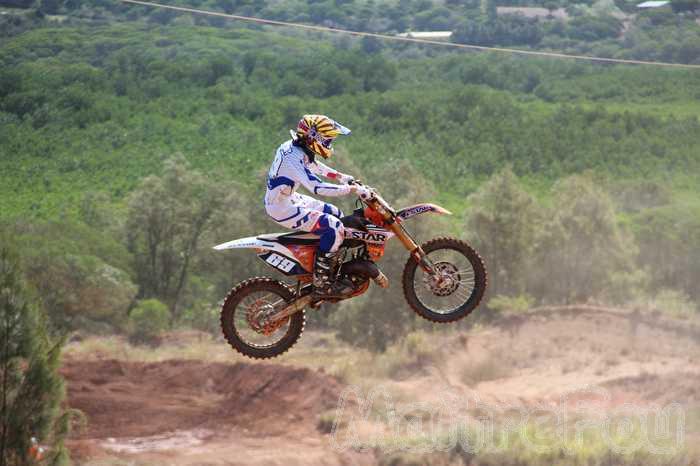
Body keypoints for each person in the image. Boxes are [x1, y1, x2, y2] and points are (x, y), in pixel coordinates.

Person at [264, 114, 370, 297]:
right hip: (281, 208)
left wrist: (341, 177)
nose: (330, 142)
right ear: (314, 136)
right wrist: (351, 189)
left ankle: (329, 266)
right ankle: (322, 282)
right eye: (327, 139)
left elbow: (315, 167)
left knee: (336, 214)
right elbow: (317, 187)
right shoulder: (293, 157)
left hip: (288, 199)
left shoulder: (296, 149)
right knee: (334, 226)